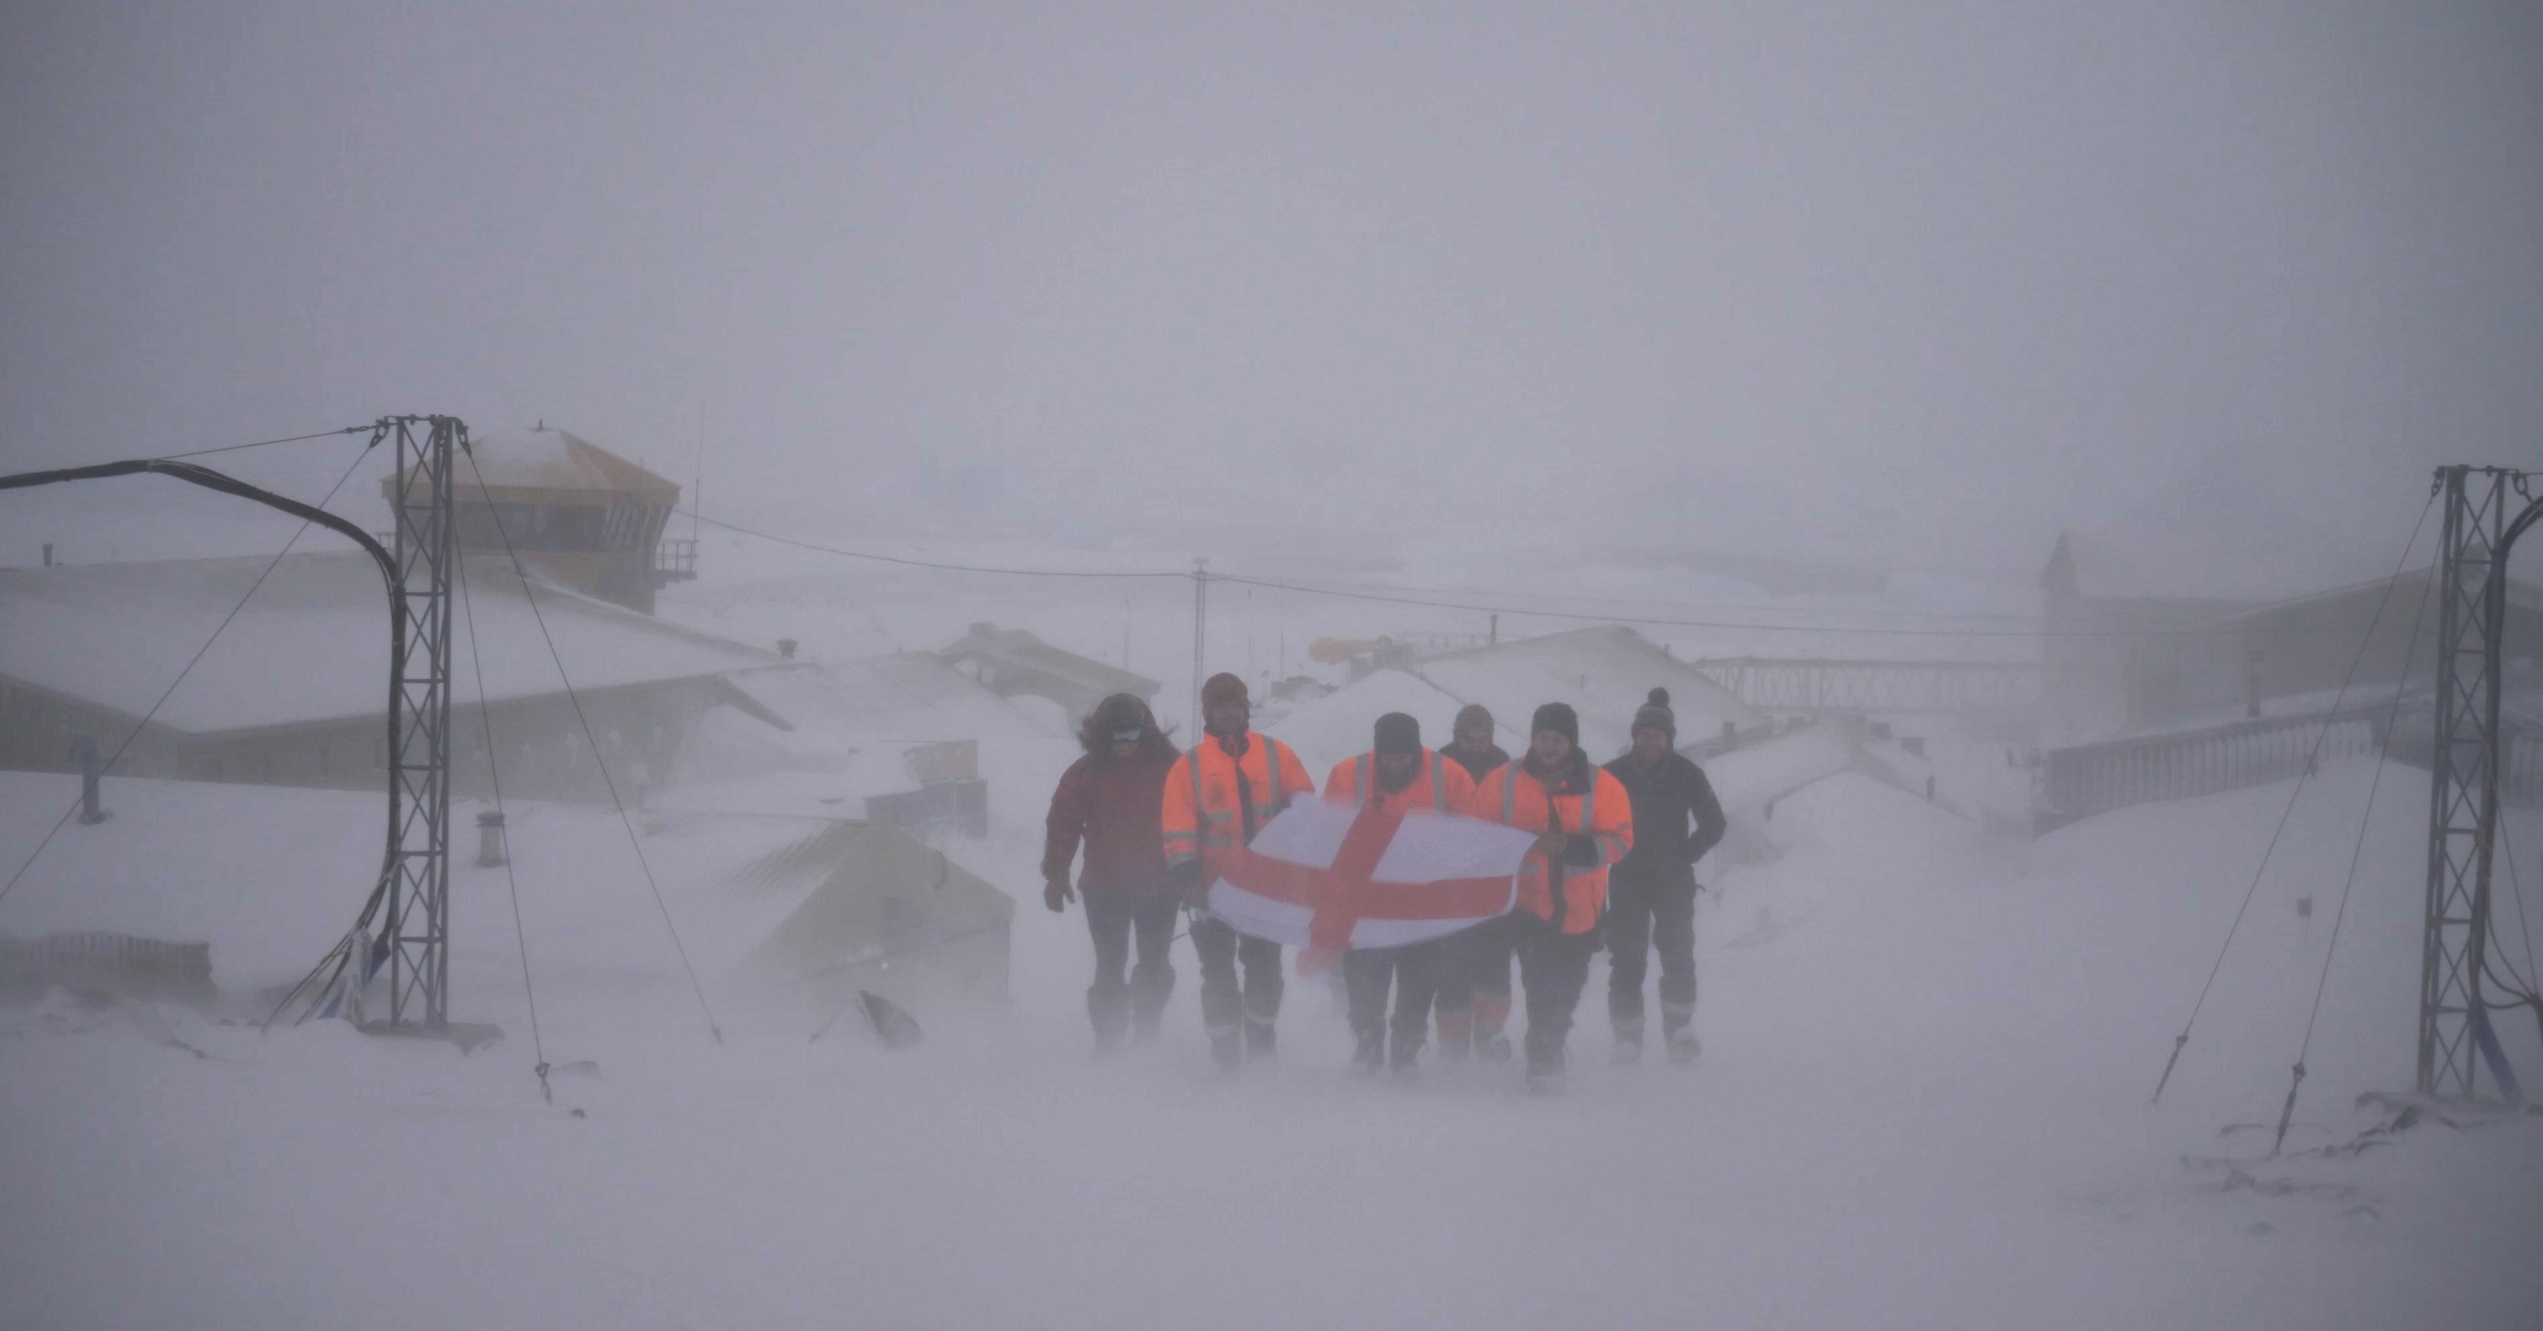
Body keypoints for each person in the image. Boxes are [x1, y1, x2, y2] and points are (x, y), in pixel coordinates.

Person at [1472, 702, 1633, 1094]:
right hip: (1520, 907)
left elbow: (1621, 841)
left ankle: (1549, 1047)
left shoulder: (1604, 785)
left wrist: (1570, 848)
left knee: (1563, 990)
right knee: (1535, 983)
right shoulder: (1501, 780)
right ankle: (1540, 1060)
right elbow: (1476, 833)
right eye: (1542, 737)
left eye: (1556, 739)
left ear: (1571, 742)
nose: (1548, 746)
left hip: (1577, 911)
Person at [1160, 672, 1316, 1072]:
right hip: (1212, 892)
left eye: (1235, 705)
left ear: (1246, 710)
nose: (1229, 713)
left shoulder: (1277, 755)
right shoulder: (1189, 767)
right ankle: (1224, 1051)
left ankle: (1262, 1043)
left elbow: (1305, 807)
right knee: (1217, 974)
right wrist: (1188, 880)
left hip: (1265, 890)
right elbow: (1177, 827)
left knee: (1264, 970)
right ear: (1207, 713)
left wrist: (1294, 826)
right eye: (1220, 706)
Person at [1323, 712, 1480, 1076]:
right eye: (1389, 756)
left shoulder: (1451, 776)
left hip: (1422, 905)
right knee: (1363, 981)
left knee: (1419, 981)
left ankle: (1407, 1048)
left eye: (1403, 755)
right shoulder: (1346, 775)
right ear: (1377, 752)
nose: (1396, 762)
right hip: (1365, 904)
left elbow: (1471, 835)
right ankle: (1367, 1044)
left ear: (1416, 750)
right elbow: (1328, 832)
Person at [1042, 694, 1183, 1052]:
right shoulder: (1086, 773)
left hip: (1160, 884)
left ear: (1145, 732)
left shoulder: (1170, 767)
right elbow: (1063, 825)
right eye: (1116, 737)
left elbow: (1194, 818)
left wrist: (1197, 871)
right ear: (1103, 735)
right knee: (1109, 964)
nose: (1124, 745)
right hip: (1105, 886)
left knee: (1154, 962)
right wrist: (1056, 875)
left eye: (1131, 736)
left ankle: (1147, 1030)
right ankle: (1108, 1038)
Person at [1601, 688, 1727, 1066]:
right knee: (1627, 961)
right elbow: (1589, 821)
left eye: (1659, 736)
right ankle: (1627, 1039)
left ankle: (1679, 1033)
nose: (1651, 741)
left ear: (1668, 739)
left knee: (1678, 959)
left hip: (1673, 882)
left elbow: (1714, 824)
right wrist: (1607, 852)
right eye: (1645, 734)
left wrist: (1686, 854)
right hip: (1627, 880)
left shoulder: (1688, 774)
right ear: (1634, 736)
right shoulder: (1611, 775)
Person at [1432, 703, 1515, 1063]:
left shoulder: (1506, 766)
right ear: (1457, 735)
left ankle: (1490, 1031)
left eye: (1484, 739)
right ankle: (1452, 1042)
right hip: (1449, 880)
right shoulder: (1437, 767)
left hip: (1492, 877)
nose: (1478, 745)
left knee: (1495, 959)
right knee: (1451, 963)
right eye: (1471, 738)